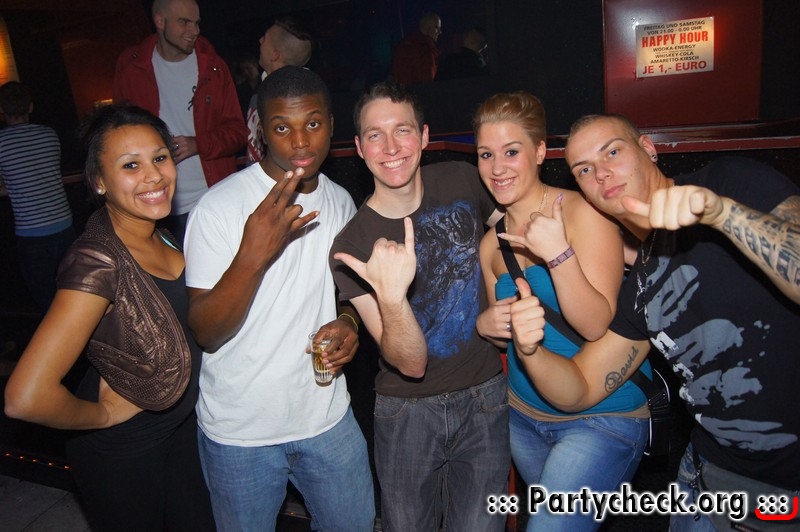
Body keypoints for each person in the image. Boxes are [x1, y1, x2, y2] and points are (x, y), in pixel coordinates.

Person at [510, 113, 800, 530]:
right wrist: (530, 350)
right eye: (584, 170)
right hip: (704, 482)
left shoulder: (727, 183)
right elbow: (583, 387)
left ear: (648, 148)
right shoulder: (641, 285)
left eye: (612, 152)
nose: (601, 172)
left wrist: (723, 215)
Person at [4, 103, 215, 532]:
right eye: (130, 165)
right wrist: (100, 416)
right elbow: (25, 396)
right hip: (124, 453)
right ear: (99, 181)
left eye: (160, 158)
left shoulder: (161, 235)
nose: (154, 176)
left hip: (179, 432)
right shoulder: (96, 261)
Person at [184, 66, 374, 531]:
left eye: (313, 123)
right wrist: (253, 255)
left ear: (332, 123)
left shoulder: (341, 201)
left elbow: (348, 294)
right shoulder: (219, 207)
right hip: (241, 432)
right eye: (282, 128)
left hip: (326, 417)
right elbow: (206, 332)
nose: (301, 141)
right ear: (261, 133)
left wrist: (349, 323)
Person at [330, 81, 509, 532]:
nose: (391, 147)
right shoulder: (352, 246)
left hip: (485, 396)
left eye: (403, 130)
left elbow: (515, 234)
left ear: (425, 136)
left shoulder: (463, 178)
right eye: (375, 135)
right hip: (407, 413)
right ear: (359, 148)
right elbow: (410, 363)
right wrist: (391, 297)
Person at [472, 93, 649, 530]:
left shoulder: (585, 213)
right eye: (486, 154)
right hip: (523, 416)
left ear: (539, 151)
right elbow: (510, 336)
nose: (497, 168)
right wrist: (488, 325)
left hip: (602, 417)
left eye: (511, 152)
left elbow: (595, 324)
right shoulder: (491, 244)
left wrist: (558, 255)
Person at [113, 0, 247, 243]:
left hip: (213, 198)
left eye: (197, 23)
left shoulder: (214, 66)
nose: (194, 31)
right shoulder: (131, 66)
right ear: (160, 21)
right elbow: (117, 134)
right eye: (184, 22)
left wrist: (198, 144)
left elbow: (238, 132)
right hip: (154, 204)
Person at [0, 81, 75, 314]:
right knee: (75, 289)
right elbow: (45, 175)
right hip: (65, 224)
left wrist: (13, 186)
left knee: (46, 299)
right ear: (30, 107)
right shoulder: (49, 135)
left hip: (32, 233)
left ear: (1, 110)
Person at [245, 16, 313, 165]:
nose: (260, 40)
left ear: (275, 55)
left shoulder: (295, 102)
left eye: (265, 38)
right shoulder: (263, 90)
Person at [391, 12, 441, 84]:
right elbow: (429, 80)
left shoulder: (402, 45)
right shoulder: (426, 49)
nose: (440, 32)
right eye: (437, 27)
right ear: (427, 27)